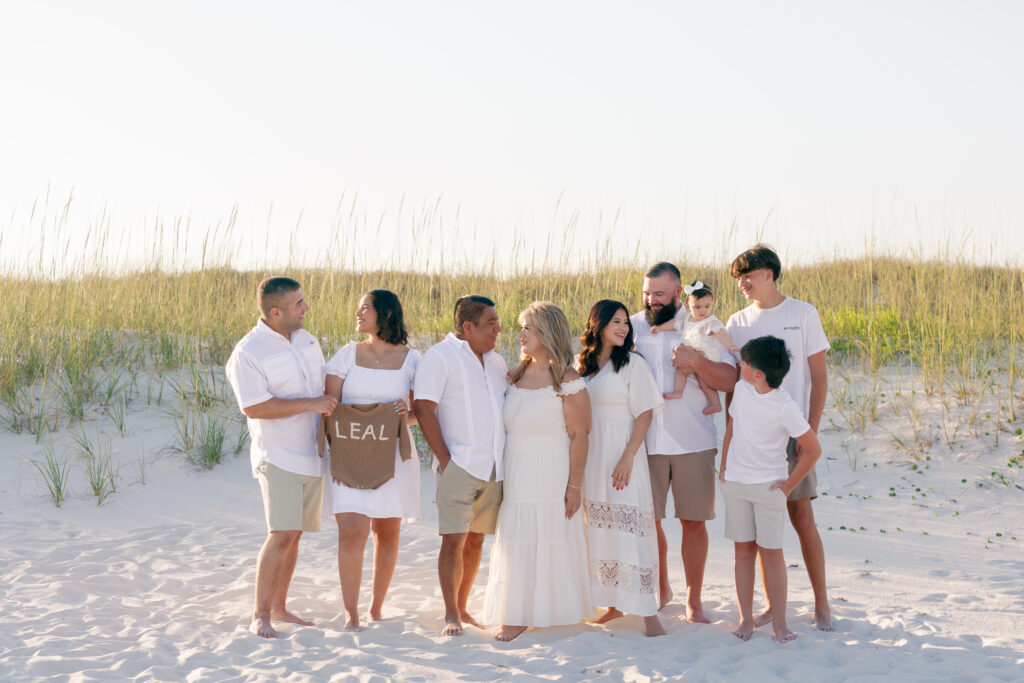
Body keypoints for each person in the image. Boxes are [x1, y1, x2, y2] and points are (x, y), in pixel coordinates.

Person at [725, 243, 834, 631]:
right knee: (758, 522)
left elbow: (819, 377)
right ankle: (772, 606)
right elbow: (734, 385)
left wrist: (811, 431)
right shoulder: (736, 322)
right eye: (738, 276)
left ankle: (822, 604)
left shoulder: (803, 314)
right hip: (753, 440)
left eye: (747, 275)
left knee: (802, 515)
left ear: (769, 273)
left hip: (795, 430)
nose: (742, 282)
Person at [225, 276, 338, 639]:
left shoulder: (307, 339)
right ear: (276, 312)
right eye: (298, 304)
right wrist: (311, 404)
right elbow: (255, 406)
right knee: (281, 533)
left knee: (295, 535)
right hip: (278, 456)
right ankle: (260, 614)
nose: (306, 308)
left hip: (311, 453)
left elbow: (322, 386)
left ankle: (279, 606)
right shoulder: (249, 352)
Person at [631, 262, 737, 622]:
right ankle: (662, 589)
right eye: (647, 292)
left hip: (693, 437)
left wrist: (695, 360)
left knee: (694, 522)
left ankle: (694, 601)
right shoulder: (630, 325)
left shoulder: (701, 323)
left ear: (679, 293)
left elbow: (729, 379)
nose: (651, 299)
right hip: (645, 442)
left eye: (658, 294)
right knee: (649, 522)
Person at [483, 301, 593, 641]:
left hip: (550, 470)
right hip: (517, 470)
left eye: (527, 327)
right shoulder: (515, 373)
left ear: (546, 332)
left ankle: (528, 615)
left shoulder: (567, 379)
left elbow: (580, 435)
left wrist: (574, 486)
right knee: (519, 539)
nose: (520, 334)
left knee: (546, 535)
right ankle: (517, 609)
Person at [322, 290, 420, 631]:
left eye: (365, 308)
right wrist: (335, 455)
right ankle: (351, 613)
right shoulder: (347, 354)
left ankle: (377, 607)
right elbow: (329, 408)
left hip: (393, 453)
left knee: (387, 531)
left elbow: (421, 412)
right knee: (352, 531)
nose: (358, 313)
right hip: (349, 453)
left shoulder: (413, 360)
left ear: (386, 314)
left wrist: (407, 412)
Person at [413, 295, 507, 637]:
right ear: (468, 327)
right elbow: (423, 408)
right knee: (453, 541)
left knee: (476, 541)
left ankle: (464, 606)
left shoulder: (496, 361)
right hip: (460, 465)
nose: (498, 329)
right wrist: (446, 461)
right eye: (490, 324)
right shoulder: (439, 357)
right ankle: (451, 613)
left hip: (493, 466)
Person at [720, 336, 822, 643]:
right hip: (737, 484)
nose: (741, 365)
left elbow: (813, 450)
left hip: (769, 489)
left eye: (745, 364)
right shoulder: (741, 388)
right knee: (742, 553)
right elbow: (731, 427)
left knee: (772, 555)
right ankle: (745, 620)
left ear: (758, 374)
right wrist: (724, 467)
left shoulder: (785, 407)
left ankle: (780, 623)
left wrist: (788, 486)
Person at [576, 300, 665, 637]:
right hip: (592, 457)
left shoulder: (632, 364)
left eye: (626, 322)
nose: (624, 328)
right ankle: (612, 604)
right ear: (597, 324)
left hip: (624, 455)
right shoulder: (580, 365)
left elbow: (645, 412)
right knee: (601, 530)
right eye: (616, 321)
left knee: (633, 530)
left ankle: (649, 614)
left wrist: (629, 455)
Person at [651, 280, 739, 411]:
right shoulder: (686, 319)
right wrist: (660, 327)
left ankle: (716, 404)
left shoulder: (710, 321)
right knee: (681, 371)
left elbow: (721, 334)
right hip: (690, 355)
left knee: (705, 383)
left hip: (707, 357)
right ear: (687, 305)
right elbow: (674, 324)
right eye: (697, 307)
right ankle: (678, 391)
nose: (703, 310)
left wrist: (731, 346)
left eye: (707, 306)